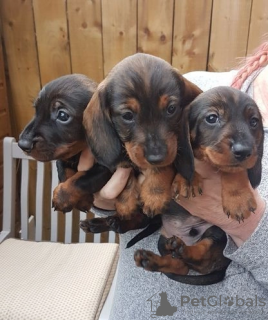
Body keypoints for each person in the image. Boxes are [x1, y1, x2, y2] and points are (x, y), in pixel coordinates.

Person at [79, 42, 268, 319]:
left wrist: (249, 225)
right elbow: (110, 165)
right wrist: (106, 199)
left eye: (170, 112)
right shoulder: (194, 88)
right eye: (128, 115)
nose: (157, 152)